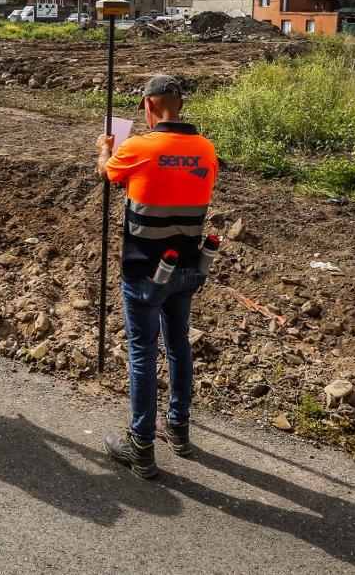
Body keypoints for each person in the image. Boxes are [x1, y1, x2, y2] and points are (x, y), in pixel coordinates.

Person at [95, 75, 219, 478]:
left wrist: (104, 149)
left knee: (143, 352)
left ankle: (141, 445)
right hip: (188, 268)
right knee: (179, 344)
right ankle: (178, 429)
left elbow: (108, 175)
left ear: (148, 105)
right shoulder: (206, 150)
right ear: (179, 106)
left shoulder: (138, 148)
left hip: (145, 271)